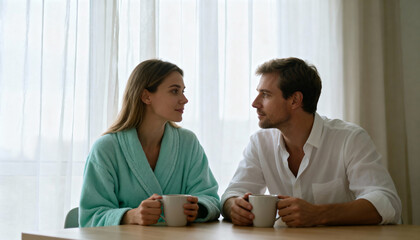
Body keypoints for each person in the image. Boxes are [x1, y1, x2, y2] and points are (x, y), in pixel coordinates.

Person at [221, 57, 401, 227]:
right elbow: (231, 194)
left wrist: (319, 213)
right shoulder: (259, 143)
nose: (255, 103)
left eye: (266, 95)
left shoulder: (350, 139)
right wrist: (234, 207)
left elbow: (387, 202)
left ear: (295, 100)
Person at [79, 59, 220, 227]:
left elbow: (210, 197)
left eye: (183, 91)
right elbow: (90, 217)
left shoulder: (188, 143)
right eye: (175, 91)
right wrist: (131, 216)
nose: (184, 99)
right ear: (146, 96)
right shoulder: (106, 149)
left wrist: (199, 208)